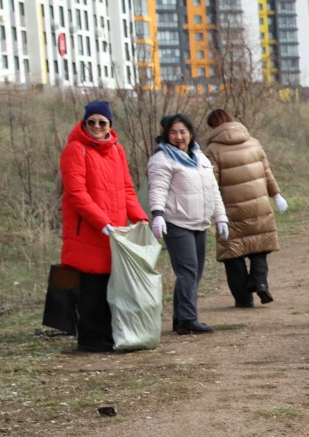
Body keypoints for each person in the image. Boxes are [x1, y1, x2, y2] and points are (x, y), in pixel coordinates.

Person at [59, 100, 149, 352]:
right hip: (88, 231)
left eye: (102, 122)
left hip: (114, 232)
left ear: (110, 125)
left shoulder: (117, 150)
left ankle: (108, 335)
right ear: (84, 123)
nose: (97, 126)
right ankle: (90, 338)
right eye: (92, 122)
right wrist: (102, 223)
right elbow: (76, 194)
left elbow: (127, 190)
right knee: (92, 289)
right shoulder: (76, 149)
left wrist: (140, 218)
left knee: (112, 287)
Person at [148, 113, 229, 335]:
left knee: (195, 272)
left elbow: (213, 190)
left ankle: (179, 318)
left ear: (191, 134)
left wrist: (220, 217)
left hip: (199, 223)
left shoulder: (200, 158)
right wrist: (157, 215)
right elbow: (157, 189)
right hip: (177, 223)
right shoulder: (162, 159)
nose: (178, 137)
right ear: (166, 135)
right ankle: (188, 319)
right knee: (187, 271)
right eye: (173, 132)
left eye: (183, 132)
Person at [204, 108, 288, 308]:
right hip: (259, 205)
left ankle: (243, 299)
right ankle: (259, 282)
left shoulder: (212, 150)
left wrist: (210, 210)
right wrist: (276, 195)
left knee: (233, 254)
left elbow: (211, 184)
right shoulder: (254, 142)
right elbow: (267, 172)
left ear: (213, 127)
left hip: (230, 210)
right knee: (259, 247)